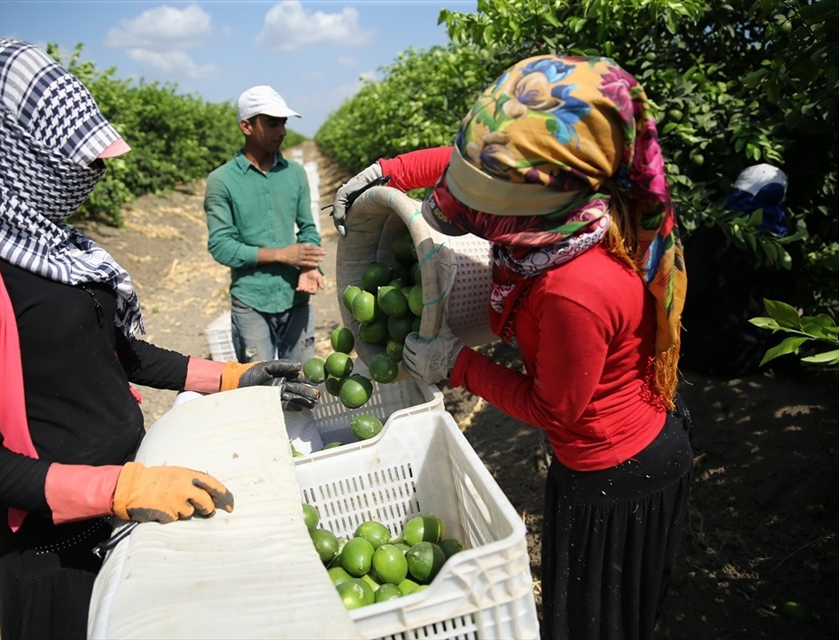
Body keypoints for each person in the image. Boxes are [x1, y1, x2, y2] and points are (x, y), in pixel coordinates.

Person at [0, 39, 318, 640]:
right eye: (76, 161)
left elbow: (124, 355)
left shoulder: (58, 249)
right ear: (9, 150)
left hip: (133, 505)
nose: (93, 174)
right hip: (58, 550)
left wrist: (230, 377)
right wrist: (116, 487)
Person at [334, 55, 693, 640]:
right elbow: (469, 170)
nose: (468, 201)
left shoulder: (574, 289)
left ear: (538, 191)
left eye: (489, 189)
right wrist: (388, 171)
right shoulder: (560, 211)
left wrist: (457, 363)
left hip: (616, 468)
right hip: (601, 451)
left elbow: (556, 410)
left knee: (597, 622)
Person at [205, 85, 325, 364]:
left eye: (283, 123)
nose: (282, 131)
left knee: (301, 383)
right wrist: (283, 255)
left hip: (295, 298)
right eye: (272, 123)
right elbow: (221, 246)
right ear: (246, 126)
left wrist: (308, 265)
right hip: (251, 302)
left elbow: (308, 227)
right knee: (259, 389)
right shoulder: (222, 181)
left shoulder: (295, 173)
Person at [680, 164, 797, 376]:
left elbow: (691, 291)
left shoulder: (716, 233)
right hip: (755, 357)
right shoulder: (787, 244)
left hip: (702, 352)